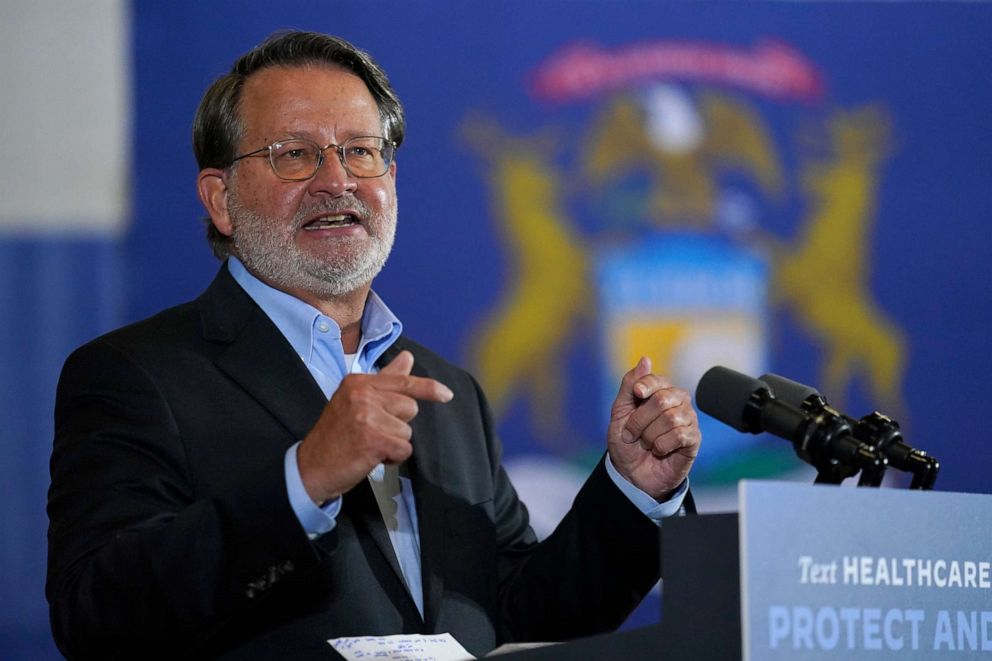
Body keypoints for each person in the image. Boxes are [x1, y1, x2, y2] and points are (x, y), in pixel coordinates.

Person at [46, 31, 702, 660]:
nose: (337, 180)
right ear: (221, 199)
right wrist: (303, 480)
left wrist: (632, 490)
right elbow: (98, 615)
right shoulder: (137, 375)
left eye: (362, 150)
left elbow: (520, 617)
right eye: (294, 153)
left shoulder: (448, 393)